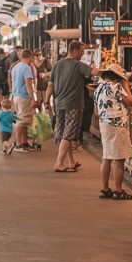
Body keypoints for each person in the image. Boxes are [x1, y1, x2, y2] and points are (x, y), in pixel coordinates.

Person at [45, 40, 92, 173]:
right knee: (69, 134)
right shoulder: (78, 65)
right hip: (73, 104)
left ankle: (71, 162)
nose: (82, 54)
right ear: (76, 51)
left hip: (58, 104)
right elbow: (93, 73)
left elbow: (50, 84)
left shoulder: (57, 64)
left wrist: (47, 101)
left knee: (64, 133)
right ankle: (58, 163)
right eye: (82, 51)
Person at [93, 63, 132, 200]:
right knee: (119, 158)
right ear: (117, 77)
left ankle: (104, 188)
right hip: (117, 124)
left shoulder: (98, 88)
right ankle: (118, 189)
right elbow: (130, 101)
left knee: (107, 156)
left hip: (104, 124)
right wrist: (126, 86)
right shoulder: (115, 87)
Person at [9, 50, 38, 152]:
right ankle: (18, 144)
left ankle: (24, 142)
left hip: (16, 96)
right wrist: (33, 98)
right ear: (30, 56)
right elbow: (29, 84)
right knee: (21, 121)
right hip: (23, 97)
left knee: (25, 120)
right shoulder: (27, 68)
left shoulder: (15, 67)